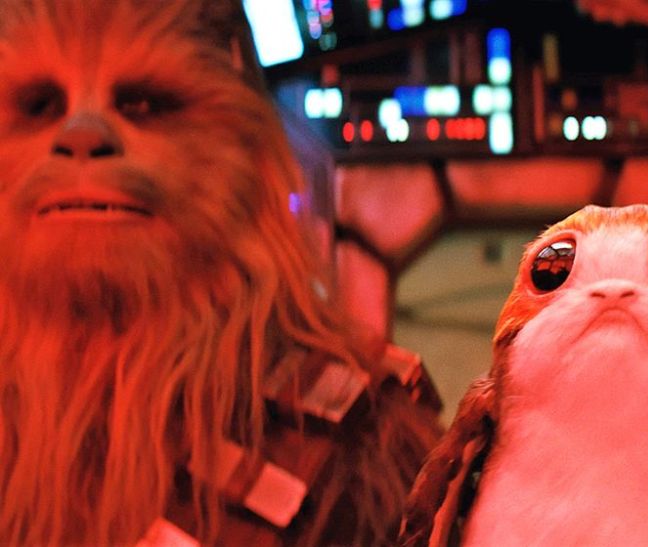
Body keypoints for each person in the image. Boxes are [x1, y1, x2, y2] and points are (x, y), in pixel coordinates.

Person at [0, 0, 441, 544]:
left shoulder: (355, 434)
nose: (82, 133)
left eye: (142, 103)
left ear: (252, 158)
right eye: (40, 105)